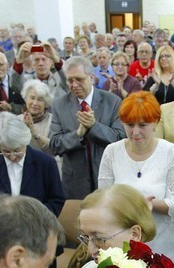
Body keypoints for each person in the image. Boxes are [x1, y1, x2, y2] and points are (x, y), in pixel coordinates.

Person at [98, 92, 174, 268]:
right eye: (129, 125)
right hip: (121, 248)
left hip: (161, 246)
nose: (135, 132)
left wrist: (152, 205)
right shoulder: (111, 152)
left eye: (142, 125)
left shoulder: (171, 153)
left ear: (155, 123)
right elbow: (103, 199)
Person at [48, 56, 125, 199]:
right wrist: (78, 135)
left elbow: (120, 139)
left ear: (91, 77)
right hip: (75, 184)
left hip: (108, 180)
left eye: (79, 79)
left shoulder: (112, 101)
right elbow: (54, 144)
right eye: (70, 80)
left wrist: (94, 127)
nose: (74, 85)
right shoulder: (59, 105)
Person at [20, 79, 55, 152]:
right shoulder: (17, 120)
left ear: (46, 103)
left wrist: (34, 133)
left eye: (40, 99)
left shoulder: (53, 121)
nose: (35, 103)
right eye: (32, 98)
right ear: (26, 99)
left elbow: (54, 148)